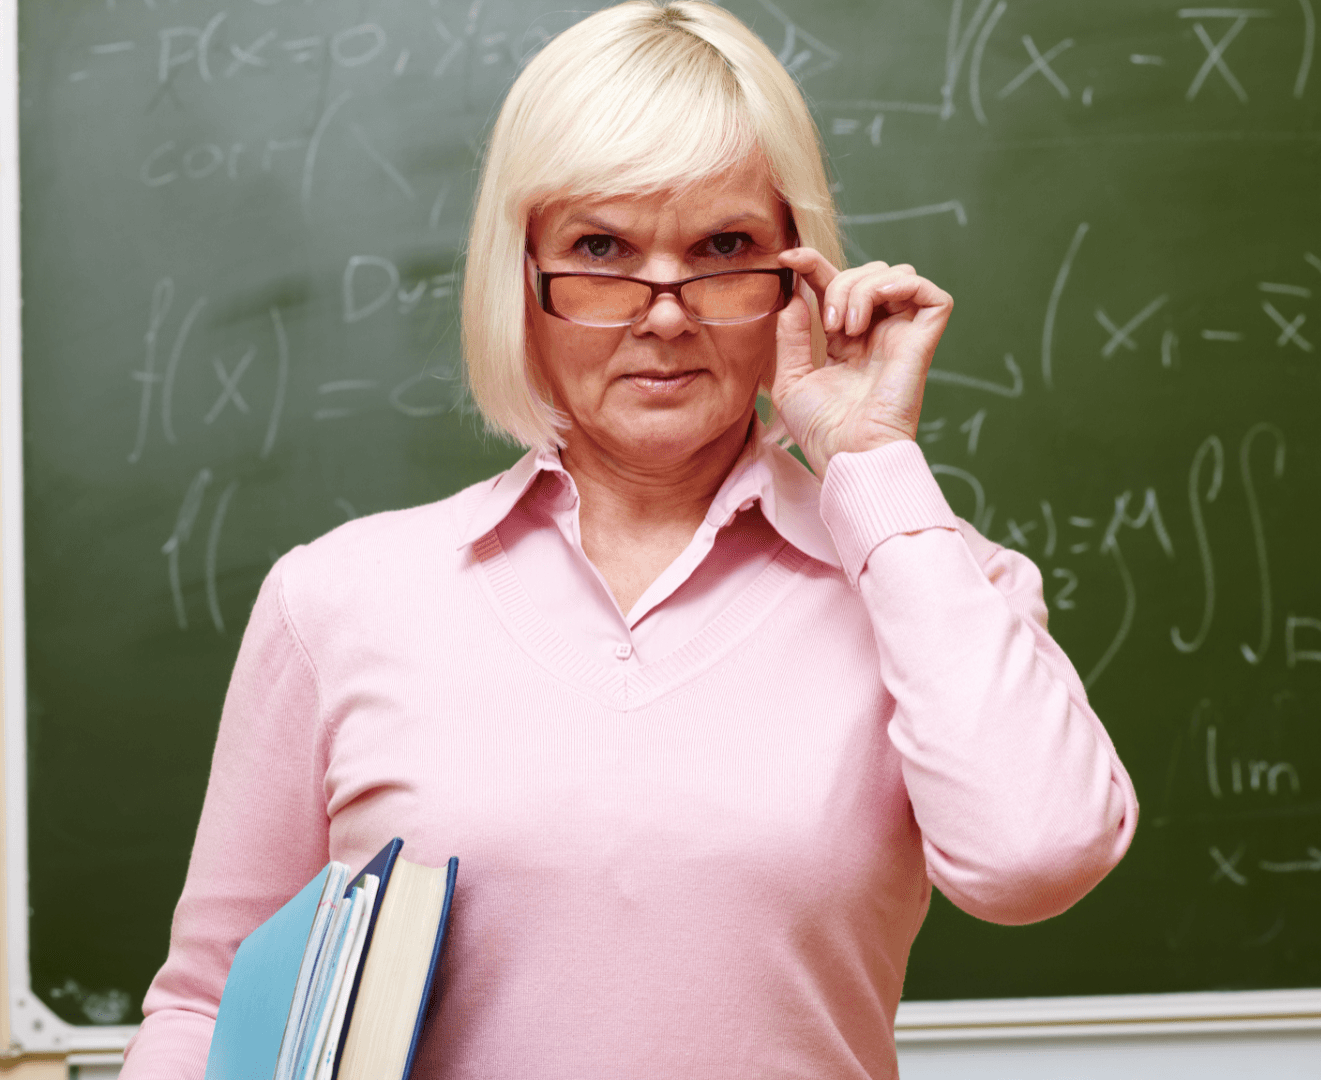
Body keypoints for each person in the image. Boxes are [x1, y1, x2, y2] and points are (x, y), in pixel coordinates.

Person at [120, 2, 1137, 1077]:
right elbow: (205, 1007)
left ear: (797, 276)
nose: (663, 313)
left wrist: (869, 462)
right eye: (600, 248)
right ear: (523, 278)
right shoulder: (340, 599)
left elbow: (1036, 860)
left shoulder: (931, 580)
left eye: (724, 248)